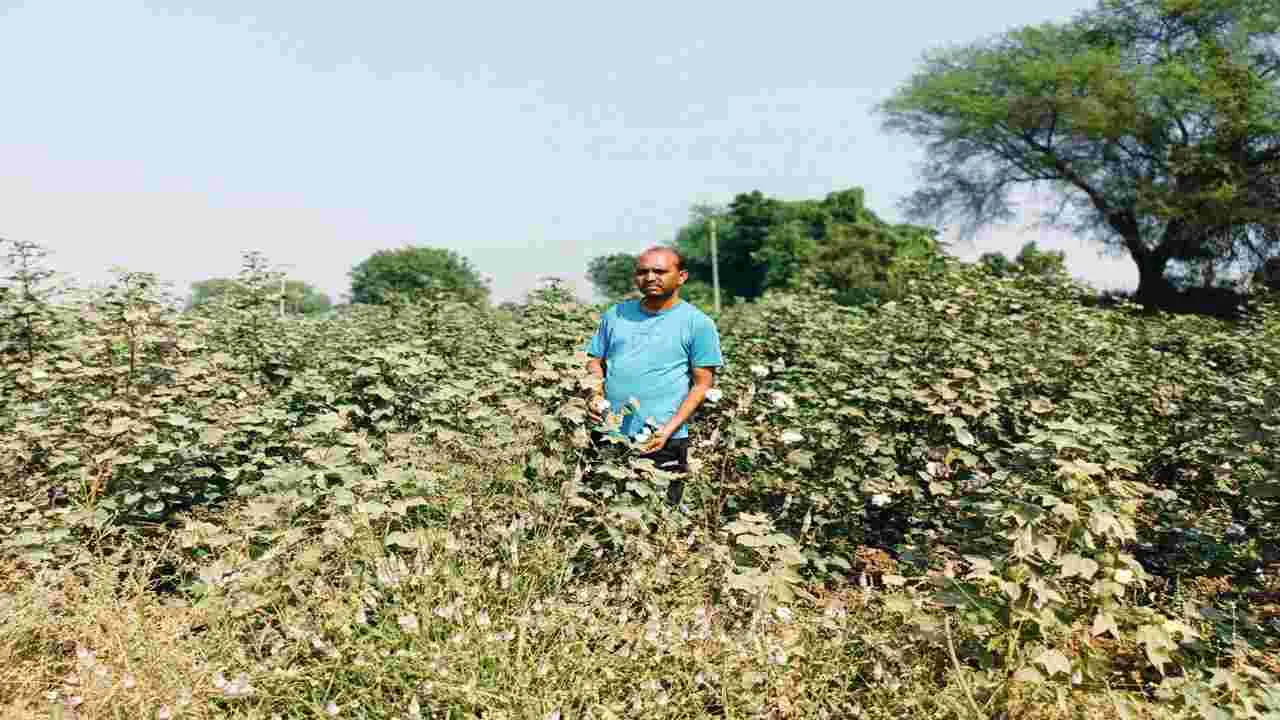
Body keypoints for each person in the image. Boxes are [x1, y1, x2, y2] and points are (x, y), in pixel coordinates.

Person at [584, 246, 723, 505]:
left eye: (659, 271)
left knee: (658, 515)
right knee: (599, 511)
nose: (650, 277)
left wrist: (668, 430)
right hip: (608, 432)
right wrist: (595, 394)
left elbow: (702, 384)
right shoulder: (615, 315)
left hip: (661, 440)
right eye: (643, 272)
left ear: (681, 277)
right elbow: (594, 360)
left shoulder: (698, 323)